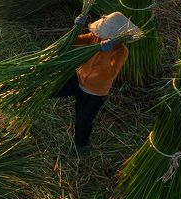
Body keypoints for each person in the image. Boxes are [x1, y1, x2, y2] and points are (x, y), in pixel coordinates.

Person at [54, 11, 130, 153]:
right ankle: (25, 97)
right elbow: (72, 42)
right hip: (78, 78)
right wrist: (75, 28)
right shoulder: (94, 36)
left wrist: (106, 55)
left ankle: (81, 148)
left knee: (82, 121)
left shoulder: (121, 51)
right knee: (52, 88)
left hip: (94, 93)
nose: (100, 34)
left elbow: (110, 74)